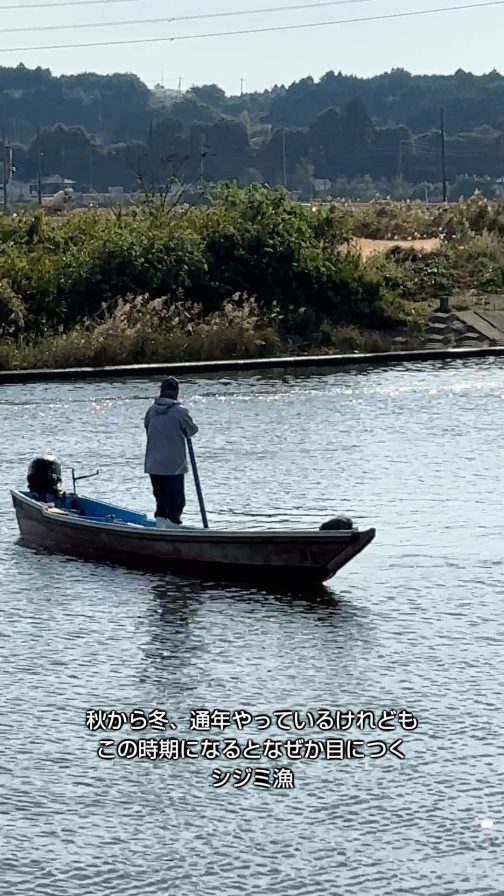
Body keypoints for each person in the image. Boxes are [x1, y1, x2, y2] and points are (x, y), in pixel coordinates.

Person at [144, 376, 198, 528]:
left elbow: (147, 427)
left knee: (161, 500)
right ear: (176, 392)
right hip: (174, 466)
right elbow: (192, 430)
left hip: (153, 464)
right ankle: (172, 532)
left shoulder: (151, 411)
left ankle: (160, 528)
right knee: (176, 502)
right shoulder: (180, 411)